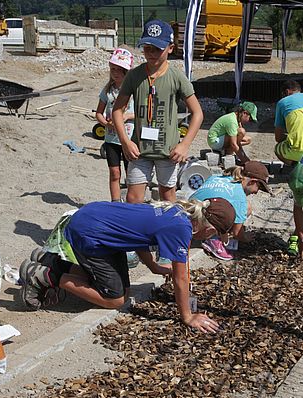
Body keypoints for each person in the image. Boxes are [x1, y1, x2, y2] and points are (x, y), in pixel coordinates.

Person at [20, 198, 235, 334]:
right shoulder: (182, 230)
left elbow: (140, 237)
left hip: (98, 219)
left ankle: (49, 260)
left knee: (123, 290)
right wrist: (187, 317)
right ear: (208, 228)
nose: (212, 237)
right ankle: (45, 276)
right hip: (91, 233)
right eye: (216, 233)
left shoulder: (178, 212)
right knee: (115, 299)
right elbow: (181, 279)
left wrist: (153, 267)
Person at [112, 19, 204, 204]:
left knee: (167, 197)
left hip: (168, 152)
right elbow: (117, 111)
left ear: (170, 48)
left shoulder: (177, 77)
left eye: (157, 49)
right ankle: (136, 232)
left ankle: (163, 232)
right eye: (147, 48)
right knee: (133, 198)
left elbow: (197, 113)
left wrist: (184, 145)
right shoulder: (134, 75)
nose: (151, 53)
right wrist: (124, 142)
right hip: (139, 150)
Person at [189, 161, 272, 260]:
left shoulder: (216, 177)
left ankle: (214, 233)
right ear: (252, 182)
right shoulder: (239, 197)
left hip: (189, 216)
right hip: (200, 230)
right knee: (246, 208)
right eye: (259, 187)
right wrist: (245, 237)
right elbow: (237, 234)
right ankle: (213, 239)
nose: (256, 192)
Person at [95, 48, 136, 202]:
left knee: (130, 173)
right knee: (114, 173)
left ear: (127, 72)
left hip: (128, 138)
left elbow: (141, 113)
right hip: (111, 139)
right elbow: (98, 113)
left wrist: (125, 116)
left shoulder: (134, 91)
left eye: (119, 70)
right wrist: (106, 123)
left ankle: (131, 203)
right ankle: (115, 203)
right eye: (113, 69)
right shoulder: (107, 91)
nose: (115, 73)